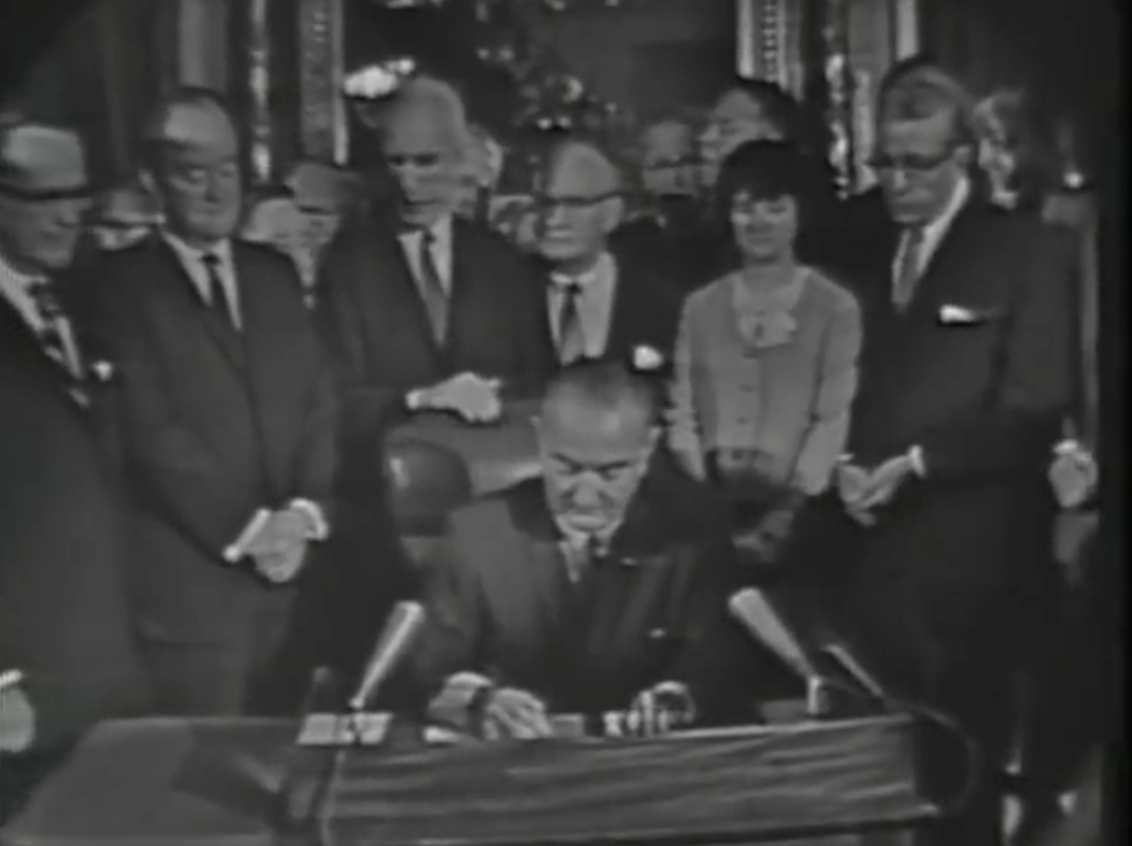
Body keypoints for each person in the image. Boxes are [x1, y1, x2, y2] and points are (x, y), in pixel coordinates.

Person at [797, 60, 1076, 846]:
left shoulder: (1029, 253)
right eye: (884, 162)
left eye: (917, 164)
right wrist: (838, 464)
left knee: (961, 797)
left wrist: (919, 464)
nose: (897, 182)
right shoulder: (851, 246)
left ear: (967, 157)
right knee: (870, 793)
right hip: (862, 569)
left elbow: (1035, 406)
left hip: (973, 572)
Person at [82, 89, 338, 717]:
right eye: (194, 175)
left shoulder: (273, 275)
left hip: (296, 589)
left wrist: (304, 512)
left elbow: (318, 397)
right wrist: (249, 529)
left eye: (228, 173)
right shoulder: (113, 289)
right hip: (191, 599)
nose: (217, 192)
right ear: (153, 182)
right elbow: (149, 433)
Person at [410, 361, 750, 739]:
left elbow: (718, 661)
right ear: (539, 437)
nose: (585, 496)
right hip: (515, 761)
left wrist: (678, 697)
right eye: (566, 468)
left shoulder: (694, 533)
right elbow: (429, 674)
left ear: (648, 449)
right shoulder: (475, 532)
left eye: (610, 474)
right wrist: (482, 702)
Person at [0, 122, 143, 818]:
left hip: (114, 669)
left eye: (78, 194)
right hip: (20, 690)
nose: (69, 214)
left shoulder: (93, 297)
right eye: (44, 197)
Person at [316, 76, 548, 464]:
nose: (408, 182)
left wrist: (493, 397)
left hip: (490, 478)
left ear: (460, 158)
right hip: (385, 482)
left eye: (426, 162)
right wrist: (418, 400)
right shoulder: (348, 262)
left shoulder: (502, 261)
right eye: (396, 162)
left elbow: (539, 379)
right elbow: (331, 397)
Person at [667, 140, 861, 571]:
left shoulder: (834, 305)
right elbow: (681, 411)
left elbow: (832, 417)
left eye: (774, 207)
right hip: (709, 507)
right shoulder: (700, 305)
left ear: (800, 212)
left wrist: (792, 508)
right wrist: (704, 498)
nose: (758, 222)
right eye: (744, 208)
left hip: (800, 513)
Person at [532, 135, 684, 373]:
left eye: (574, 204)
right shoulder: (504, 294)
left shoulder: (662, 305)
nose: (553, 219)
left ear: (612, 213)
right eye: (546, 203)